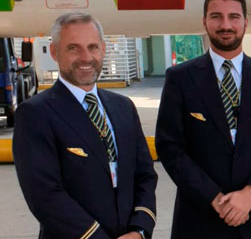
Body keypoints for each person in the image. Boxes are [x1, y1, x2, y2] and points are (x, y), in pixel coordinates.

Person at [155, 0, 251, 238]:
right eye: (216, 16)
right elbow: (170, 147)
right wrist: (214, 198)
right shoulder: (180, 78)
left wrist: (250, 193)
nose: (225, 25)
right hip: (199, 220)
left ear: (245, 23)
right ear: (204, 22)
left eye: (234, 17)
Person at [13, 12, 157, 239]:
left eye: (92, 47)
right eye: (73, 48)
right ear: (54, 52)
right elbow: (44, 194)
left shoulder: (124, 107)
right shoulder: (35, 113)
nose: (86, 57)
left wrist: (139, 229)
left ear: (103, 49)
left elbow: (145, 175)